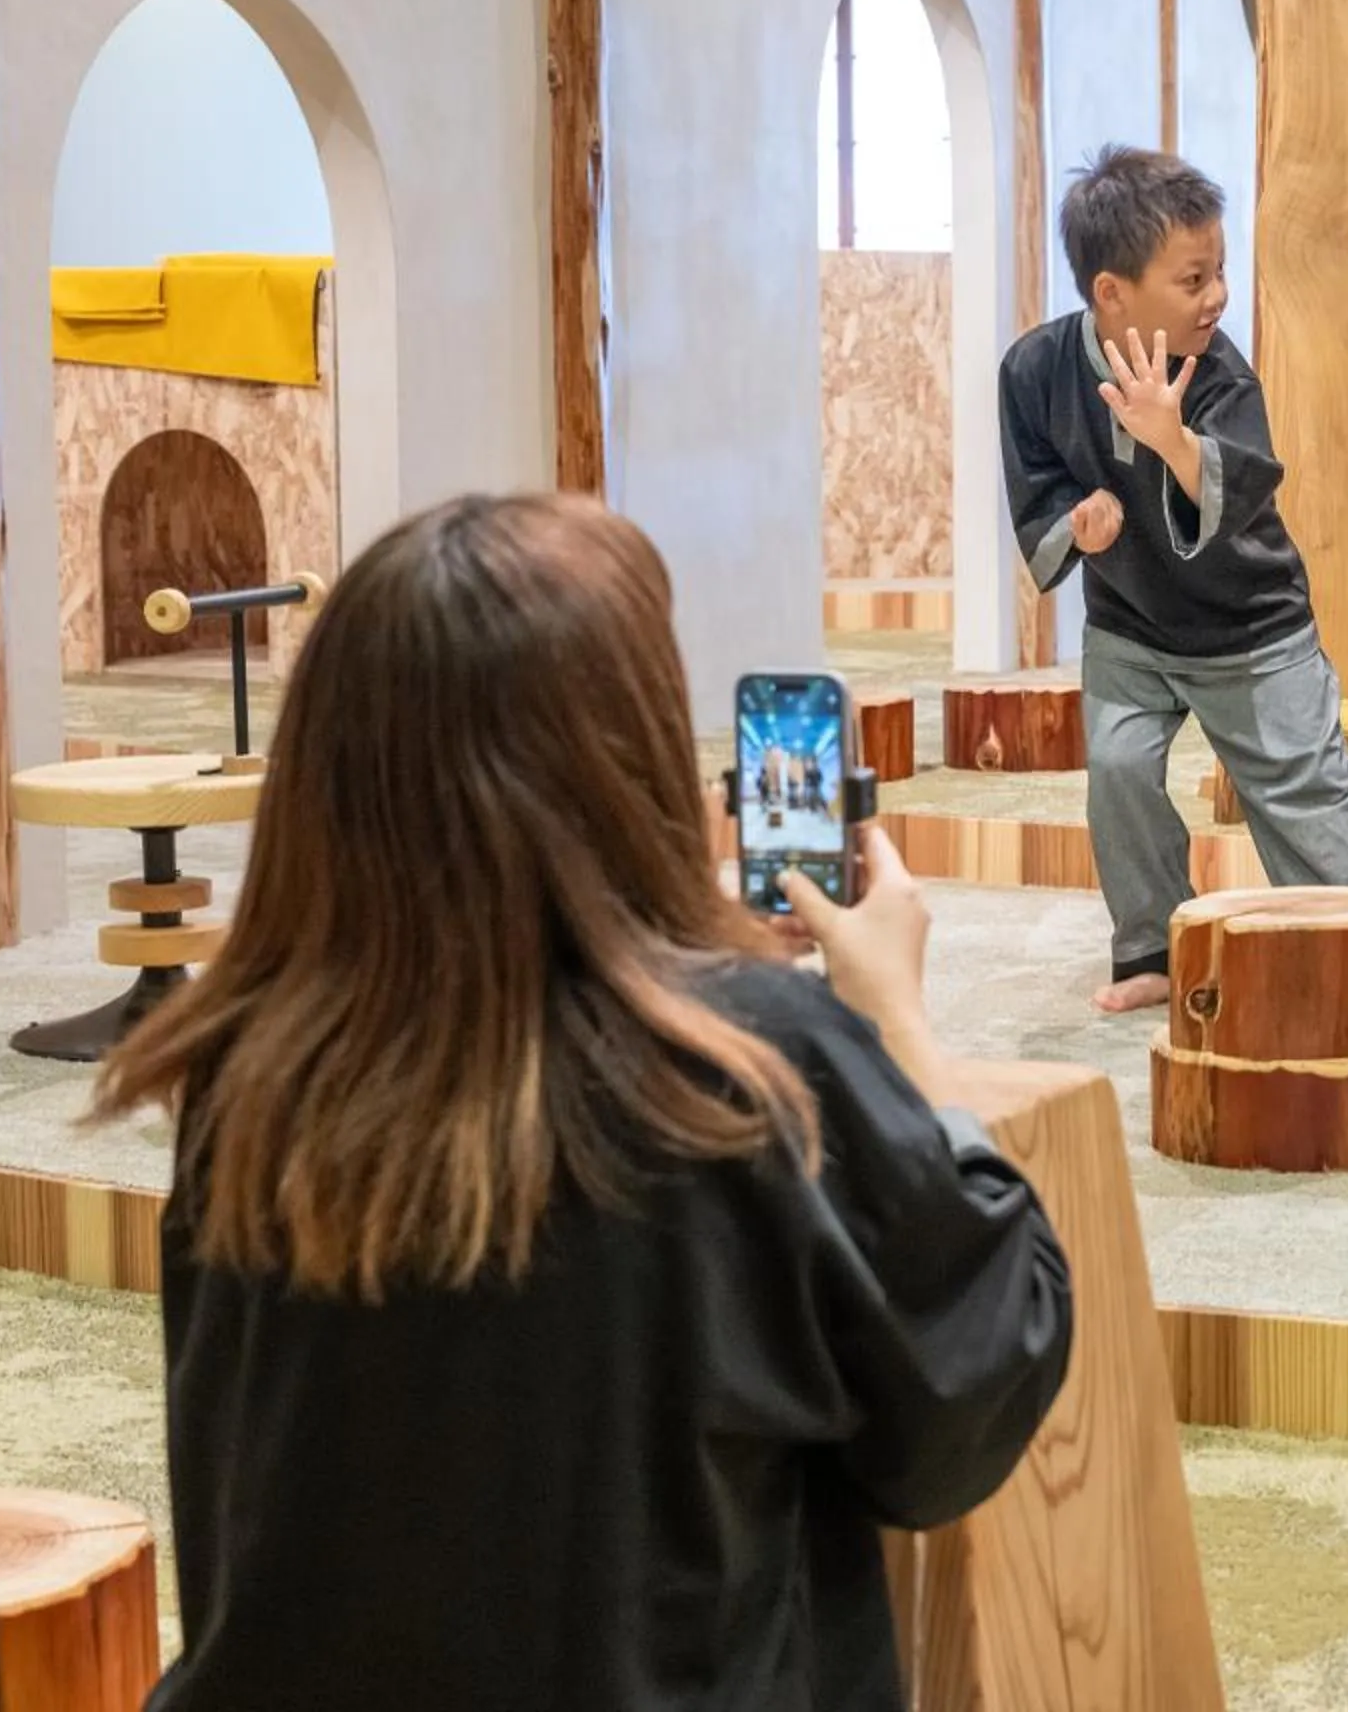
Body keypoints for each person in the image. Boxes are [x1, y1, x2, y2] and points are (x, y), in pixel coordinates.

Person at [91, 493, 1072, 1712]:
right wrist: (897, 1025)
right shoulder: (748, 1064)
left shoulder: (246, 1069)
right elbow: (968, 1387)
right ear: (633, 755)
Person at [999, 144, 1348, 1013]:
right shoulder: (1033, 371)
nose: (1217, 295)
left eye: (1220, 272)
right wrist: (1079, 518)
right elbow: (1039, 489)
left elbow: (1242, 485)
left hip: (1253, 628)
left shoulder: (1217, 373)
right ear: (1112, 292)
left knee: (1303, 789)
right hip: (1131, 627)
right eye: (1193, 280)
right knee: (1117, 770)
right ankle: (1148, 947)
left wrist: (1170, 438)